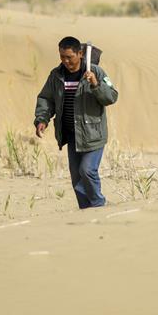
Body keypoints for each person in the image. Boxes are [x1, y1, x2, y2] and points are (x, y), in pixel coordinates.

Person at [34, 36, 118, 209]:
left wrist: (96, 84)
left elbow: (111, 97)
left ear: (80, 54)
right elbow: (46, 98)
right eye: (62, 57)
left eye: (69, 57)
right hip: (72, 134)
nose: (65, 61)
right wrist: (42, 119)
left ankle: (98, 205)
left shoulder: (96, 72)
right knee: (77, 179)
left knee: (87, 170)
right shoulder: (56, 75)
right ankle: (85, 211)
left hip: (93, 134)